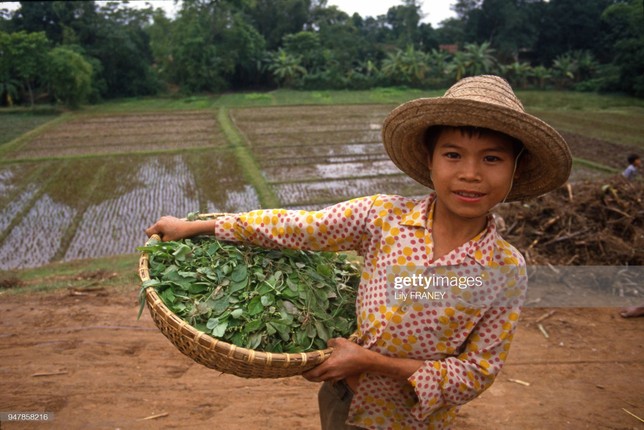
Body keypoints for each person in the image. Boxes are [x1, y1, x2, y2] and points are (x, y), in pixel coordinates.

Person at [145, 75, 572, 429]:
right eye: (453, 155)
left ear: (516, 170)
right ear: (430, 160)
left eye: (492, 159)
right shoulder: (381, 218)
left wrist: (371, 361)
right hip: (344, 400)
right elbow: (297, 228)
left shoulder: (503, 268)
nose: (470, 174)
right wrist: (201, 226)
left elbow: (476, 373)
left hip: (416, 419)